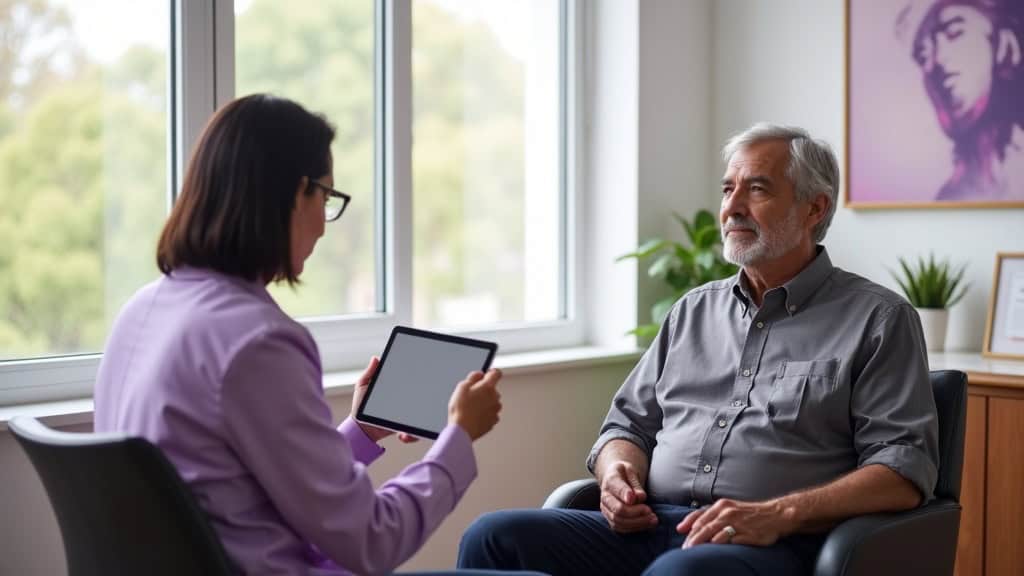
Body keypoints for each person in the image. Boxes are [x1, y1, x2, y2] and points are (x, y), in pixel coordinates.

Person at [457, 124, 939, 576]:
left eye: (758, 188)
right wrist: (617, 474)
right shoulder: (692, 311)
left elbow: (902, 470)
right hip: (651, 525)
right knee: (493, 536)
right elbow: (626, 426)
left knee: (680, 572)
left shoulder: (879, 319)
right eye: (729, 188)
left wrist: (777, 513)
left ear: (814, 209)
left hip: (772, 540)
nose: (732, 208)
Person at [93, 94, 534, 576]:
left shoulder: (142, 310)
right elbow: (372, 540)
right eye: (326, 196)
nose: (324, 225)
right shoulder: (258, 342)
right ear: (295, 191)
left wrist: (362, 430)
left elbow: (258, 484)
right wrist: (458, 438)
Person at [904, 0, 1024, 201]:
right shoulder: (950, 196)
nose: (938, 60)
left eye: (954, 32)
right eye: (923, 55)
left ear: (1005, 46)